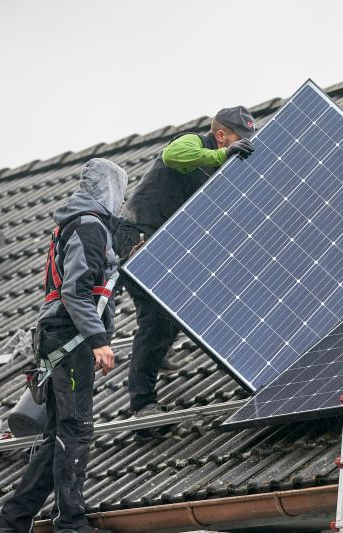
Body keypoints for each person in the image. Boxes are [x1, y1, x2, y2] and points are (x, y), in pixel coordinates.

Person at [0, 158, 127, 533]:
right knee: (76, 428)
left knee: (57, 435)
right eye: (120, 190)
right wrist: (98, 340)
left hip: (57, 337)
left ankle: (12, 522)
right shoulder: (88, 224)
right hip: (70, 338)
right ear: (107, 189)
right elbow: (75, 291)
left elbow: (88, 285)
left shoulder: (75, 224)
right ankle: (70, 522)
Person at [115, 106, 256, 424]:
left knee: (186, 308)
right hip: (140, 233)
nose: (240, 146)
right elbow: (173, 155)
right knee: (155, 317)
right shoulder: (193, 143)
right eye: (237, 139)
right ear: (221, 135)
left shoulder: (219, 168)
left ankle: (163, 350)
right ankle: (142, 405)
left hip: (170, 244)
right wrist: (221, 156)